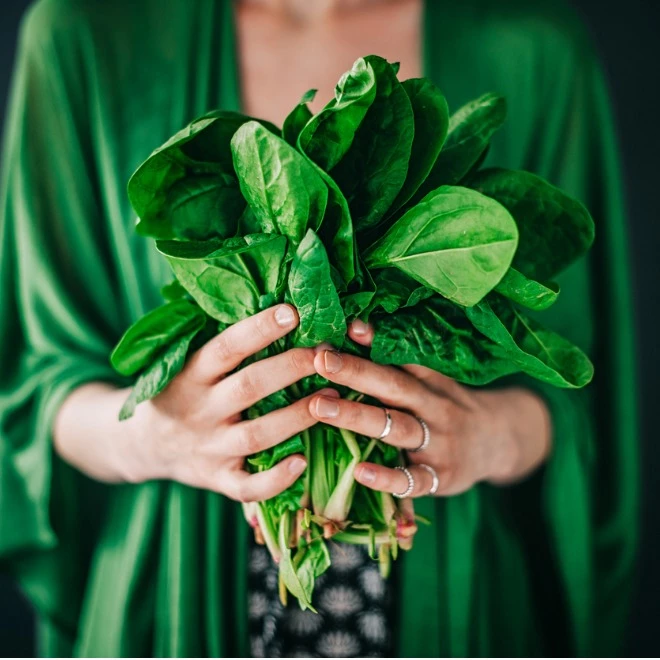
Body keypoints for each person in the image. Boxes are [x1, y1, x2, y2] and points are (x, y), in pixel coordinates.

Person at [0, 0, 638, 656]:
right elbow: (34, 387)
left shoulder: (534, 48)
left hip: (458, 598)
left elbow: (580, 395)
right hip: (174, 601)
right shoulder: (86, 35)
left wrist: (489, 437)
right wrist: (157, 438)